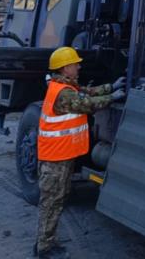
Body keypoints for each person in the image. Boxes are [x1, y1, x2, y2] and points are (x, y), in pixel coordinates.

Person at [35, 46, 126, 258]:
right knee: (52, 202)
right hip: (55, 159)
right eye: (75, 63)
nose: (78, 66)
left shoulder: (65, 86)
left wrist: (111, 87)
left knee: (57, 199)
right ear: (65, 68)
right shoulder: (63, 94)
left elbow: (87, 92)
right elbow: (87, 104)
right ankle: (44, 248)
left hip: (61, 156)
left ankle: (47, 242)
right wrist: (113, 97)